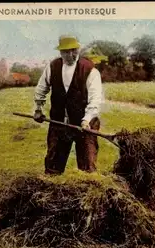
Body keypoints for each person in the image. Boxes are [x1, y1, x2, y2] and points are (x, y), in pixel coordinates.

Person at [33, 35, 103, 175]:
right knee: (53, 166)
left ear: (78, 49)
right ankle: (51, 190)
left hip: (85, 124)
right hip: (59, 122)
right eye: (66, 51)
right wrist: (38, 109)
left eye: (74, 50)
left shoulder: (90, 70)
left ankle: (89, 190)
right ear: (60, 52)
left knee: (87, 167)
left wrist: (86, 119)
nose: (70, 55)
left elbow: (95, 99)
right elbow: (41, 89)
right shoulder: (52, 67)